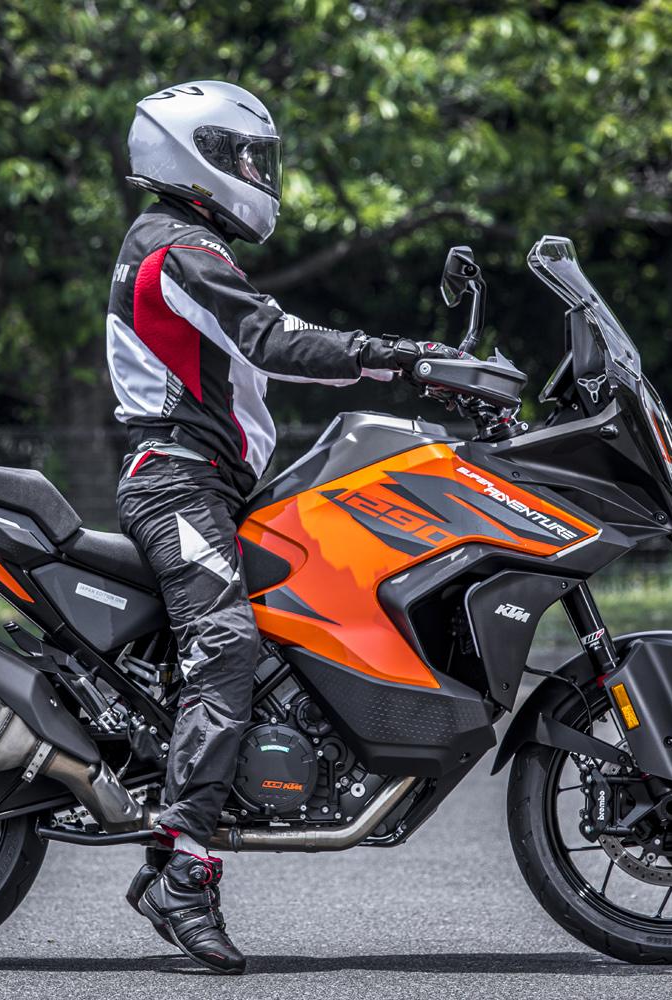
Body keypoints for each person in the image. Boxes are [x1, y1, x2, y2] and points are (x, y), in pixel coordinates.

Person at [105, 80, 443, 974]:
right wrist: (401, 357)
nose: (259, 174)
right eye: (246, 157)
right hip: (177, 485)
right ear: (197, 156)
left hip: (214, 488)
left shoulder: (189, 245)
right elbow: (274, 339)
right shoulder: (176, 248)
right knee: (222, 644)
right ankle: (183, 872)